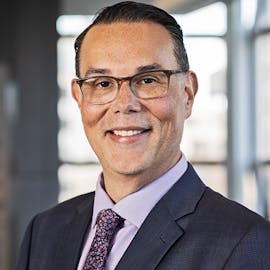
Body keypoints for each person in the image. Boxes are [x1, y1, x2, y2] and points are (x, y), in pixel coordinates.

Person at [17, 1, 270, 270]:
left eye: (148, 80)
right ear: (79, 98)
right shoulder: (44, 231)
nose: (124, 104)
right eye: (102, 83)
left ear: (187, 94)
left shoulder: (246, 243)